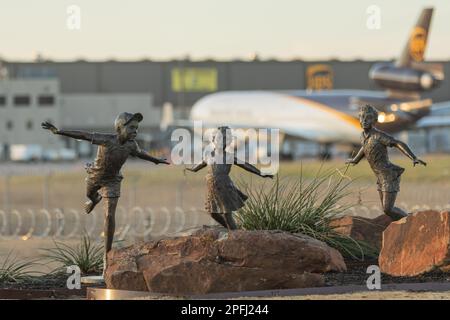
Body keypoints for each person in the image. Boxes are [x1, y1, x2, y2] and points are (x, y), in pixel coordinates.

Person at [42, 112, 169, 275]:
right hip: (95, 176)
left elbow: (140, 153)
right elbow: (83, 135)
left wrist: (156, 160)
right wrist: (59, 132)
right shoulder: (107, 139)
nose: (135, 131)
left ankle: (106, 257)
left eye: (136, 128)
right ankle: (94, 200)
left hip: (113, 181)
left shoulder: (131, 145)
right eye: (131, 127)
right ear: (120, 127)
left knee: (109, 215)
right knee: (90, 195)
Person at [346, 105, 426, 221]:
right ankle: (401, 225)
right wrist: (355, 160)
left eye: (368, 118)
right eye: (361, 117)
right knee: (387, 210)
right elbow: (365, 147)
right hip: (379, 176)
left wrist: (413, 157)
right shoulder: (363, 136)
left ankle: (411, 221)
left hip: (388, 175)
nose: (364, 121)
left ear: (375, 120)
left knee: (388, 209)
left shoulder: (378, 136)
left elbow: (397, 143)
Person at [185, 126, 273, 229]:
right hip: (212, 188)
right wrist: (190, 169)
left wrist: (261, 173)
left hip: (225, 186)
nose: (221, 142)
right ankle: (228, 228)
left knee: (227, 213)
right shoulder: (208, 156)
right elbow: (198, 166)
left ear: (228, 142)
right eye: (219, 139)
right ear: (213, 139)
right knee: (213, 213)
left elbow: (246, 165)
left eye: (225, 139)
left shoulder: (229, 156)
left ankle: (234, 233)